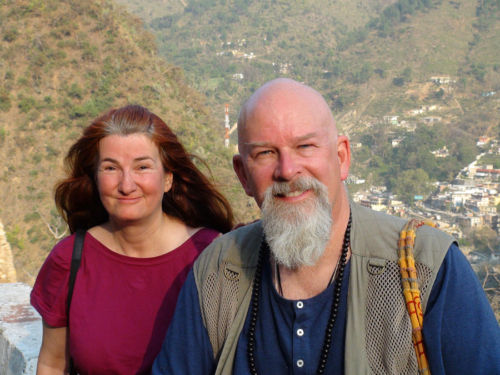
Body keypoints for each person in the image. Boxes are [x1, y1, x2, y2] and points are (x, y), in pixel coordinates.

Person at [153, 79, 500, 375]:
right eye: (265, 154)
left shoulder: (426, 267)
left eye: (305, 146)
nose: (287, 170)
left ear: (342, 157)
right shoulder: (218, 272)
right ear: (243, 175)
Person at [31, 105, 234, 374]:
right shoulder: (69, 261)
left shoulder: (212, 256)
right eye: (111, 167)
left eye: (142, 167)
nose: (126, 185)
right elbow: (53, 364)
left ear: (168, 179)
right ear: (95, 177)